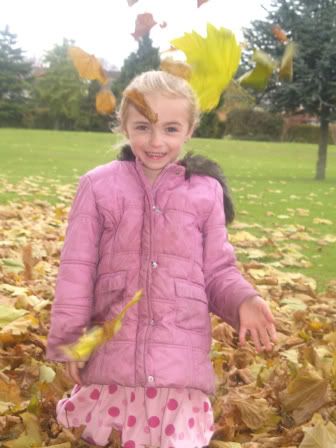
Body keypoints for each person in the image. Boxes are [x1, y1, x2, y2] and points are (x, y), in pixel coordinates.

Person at [46, 70, 276, 448]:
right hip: (113, 359)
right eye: (143, 127)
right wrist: (72, 340)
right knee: (107, 438)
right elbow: (77, 270)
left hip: (178, 362)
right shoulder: (98, 186)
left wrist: (244, 300)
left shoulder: (206, 192)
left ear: (189, 130)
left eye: (170, 129)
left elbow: (217, 270)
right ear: (124, 126)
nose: (156, 141)